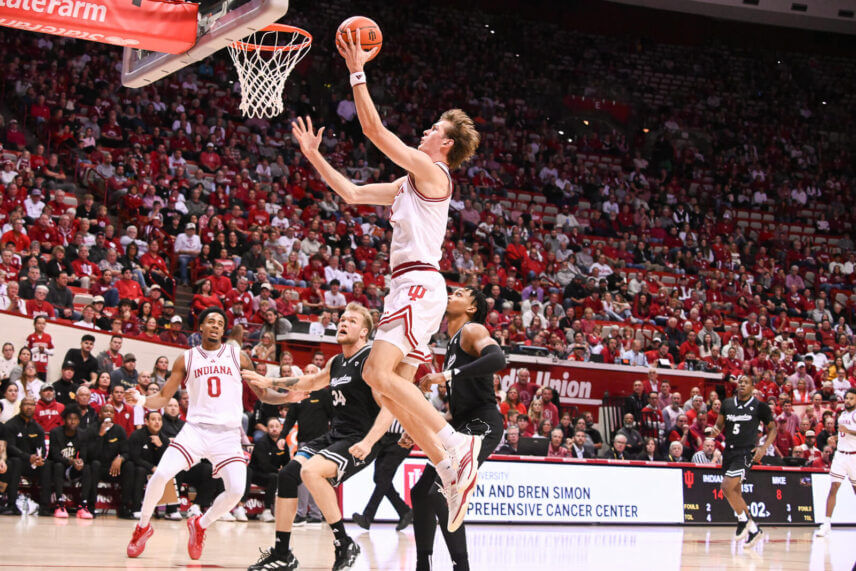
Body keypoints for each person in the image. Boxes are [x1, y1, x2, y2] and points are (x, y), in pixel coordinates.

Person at [292, 31, 483, 533]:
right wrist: (314, 156)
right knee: (385, 386)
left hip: (419, 283)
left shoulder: (433, 170)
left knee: (379, 376)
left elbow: (377, 132)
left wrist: (357, 71)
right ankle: (447, 462)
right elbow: (353, 193)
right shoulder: (407, 184)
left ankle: (455, 444)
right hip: (407, 287)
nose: (425, 130)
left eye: (433, 127)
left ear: (445, 143)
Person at [124, 307, 300, 561]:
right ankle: (142, 526)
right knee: (161, 473)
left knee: (237, 490)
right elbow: (163, 397)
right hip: (195, 430)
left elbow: (262, 393)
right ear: (202, 328)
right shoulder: (186, 359)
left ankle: (200, 524)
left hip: (227, 435)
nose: (216, 325)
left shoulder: (238, 356)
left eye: (220, 322)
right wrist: (140, 399)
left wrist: (287, 397)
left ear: (223, 329)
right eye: (211, 322)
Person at [242, 303, 394, 571]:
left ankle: (343, 542)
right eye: (342, 319)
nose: (343, 323)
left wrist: (369, 442)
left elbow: (391, 407)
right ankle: (281, 553)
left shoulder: (371, 360)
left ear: (364, 332)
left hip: (361, 438)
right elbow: (310, 384)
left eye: (351, 321)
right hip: (336, 435)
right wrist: (270, 382)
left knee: (311, 472)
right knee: (289, 474)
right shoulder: (337, 362)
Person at [409, 286, 507, 571]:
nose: (452, 294)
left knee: (441, 491)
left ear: (472, 308)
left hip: (483, 424)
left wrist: (446, 374)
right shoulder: (451, 344)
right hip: (463, 423)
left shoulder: (472, 330)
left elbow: (498, 359)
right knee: (421, 491)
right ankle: (423, 564)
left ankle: (460, 567)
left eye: (461, 294)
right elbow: (454, 410)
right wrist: (418, 428)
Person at [710, 375, 776, 547]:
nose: (742, 385)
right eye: (740, 382)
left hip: (746, 452)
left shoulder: (759, 406)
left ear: (752, 386)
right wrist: (714, 431)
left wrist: (763, 447)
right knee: (735, 493)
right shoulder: (727, 404)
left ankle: (742, 520)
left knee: (726, 487)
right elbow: (719, 425)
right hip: (729, 452)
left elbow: (773, 429)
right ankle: (754, 530)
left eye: (746, 382)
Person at [351, 418, 413, 531]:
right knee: (379, 478)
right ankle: (404, 511)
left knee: (383, 474)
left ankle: (367, 516)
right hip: (384, 436)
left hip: (403, 438)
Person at [816, 388, 856, 537]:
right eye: (846, 398)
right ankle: (826, 524)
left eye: (851, 398)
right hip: (840, 456)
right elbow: (844, 433)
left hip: (854, 457)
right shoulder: (842, 414)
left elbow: (851, 431)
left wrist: (849, 431)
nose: (848, 401)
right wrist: (836, 438)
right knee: (833, 488)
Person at [1, 397, 52, 515]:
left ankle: (45, 506)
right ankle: (11, 504)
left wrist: (40, 458)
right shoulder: (11, 425)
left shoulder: (38, 428)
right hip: (16, 461)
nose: (29, 407)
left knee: (47, 465)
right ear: (20, 407)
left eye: (32, 404)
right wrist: (27, 457)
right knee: (16, 461)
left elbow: (42, 448)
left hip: (32, 463)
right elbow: (10, 447)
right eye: (26, 404)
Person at [47, 405, 95, 518]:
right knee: (58, 465)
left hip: (73, 468)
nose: (72, 422)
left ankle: (83, 505)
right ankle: (59, 504)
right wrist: (71, 461)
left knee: (87, 468)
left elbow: (83, 454)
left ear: (79, 420)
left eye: (75, 419)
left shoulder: (83, 434)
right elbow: (55, 455)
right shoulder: (55, 432)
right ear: (64, 420)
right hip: (58, 467)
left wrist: (80, 462)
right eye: (70, 419)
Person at [90, 403, 137, 519]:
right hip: (99, 467)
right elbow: (91, 454)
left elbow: (126, 451)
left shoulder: (119, 430)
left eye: (111, 412)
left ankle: (125, 506)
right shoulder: (93, 428)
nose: (109, 414)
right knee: (94, 465)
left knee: (129, 465)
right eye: (106, 411)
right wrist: (100, 435)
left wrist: (120, 458)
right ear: (100, 414)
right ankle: (90, 506)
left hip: (114, 468)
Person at [245, 418, 290, 523]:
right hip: (257, 474)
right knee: (274, 477)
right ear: (267, 429)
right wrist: (279, 471)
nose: (274, 429)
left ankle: (284, 511)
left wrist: (285, 471)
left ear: (281, 428)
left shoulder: (283, 444)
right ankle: (266, 511)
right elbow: (263, 465)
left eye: (276, 426)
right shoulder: (262, 442)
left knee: (285, 477)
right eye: (271, 426)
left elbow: (286, 462)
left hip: (273, 474)